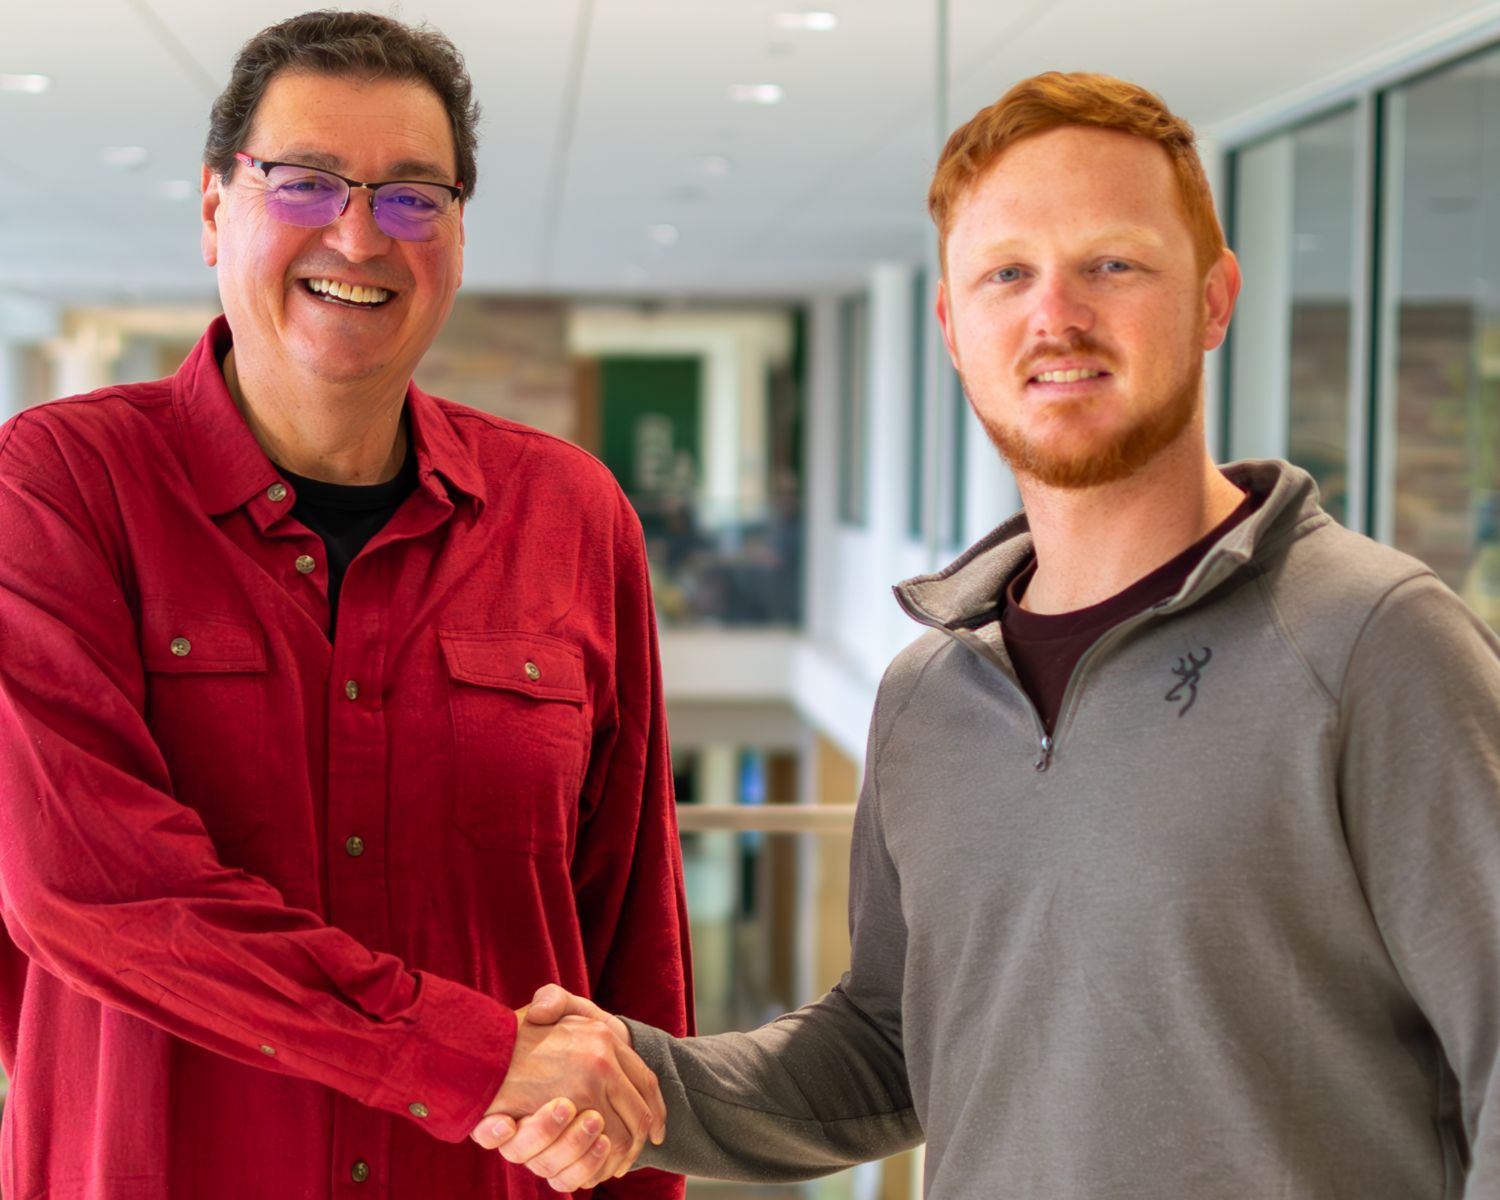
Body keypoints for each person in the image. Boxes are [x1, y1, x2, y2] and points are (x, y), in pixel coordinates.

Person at [479, 71, 1500, 1197]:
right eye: (1007, 274)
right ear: (954, 327)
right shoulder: (928, 695)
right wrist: (636, 1084)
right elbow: (887, 1047)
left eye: (1112, 264)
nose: (1054, 315)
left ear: (1214, 300)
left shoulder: (1373, 643)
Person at [0, 11, 690, 1199]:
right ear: (217, 209)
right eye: (306, 184)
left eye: (416, 196)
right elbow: (93, 891)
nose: (362, 236)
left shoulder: (572, 517)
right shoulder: (58, 488)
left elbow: (628, 953)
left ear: (460, 237)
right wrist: (465, 1060)